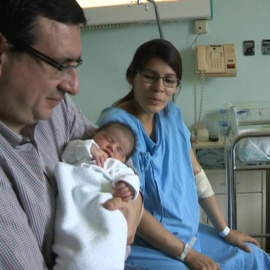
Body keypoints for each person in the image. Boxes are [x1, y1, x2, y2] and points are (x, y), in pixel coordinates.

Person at [97, 39, 270, 269]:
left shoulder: (172, 116)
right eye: (150, 76)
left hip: (188, 231)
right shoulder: (115, 128)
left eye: (169, 81)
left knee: (252, 255)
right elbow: (132, 204)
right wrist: (187, 255)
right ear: (132, 77)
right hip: (144, 242)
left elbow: (196, 172)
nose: (159, 88)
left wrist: (225, 230)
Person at [0, 1, 143, 269]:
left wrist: (135, 202)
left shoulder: (58, 111)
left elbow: (117, 151)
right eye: (59, 65)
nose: (74, 86)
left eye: (74, 64)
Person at [53, 122, 140, 270]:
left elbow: (132, 178)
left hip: (104, 209)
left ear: (124, 160)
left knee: (108, 239)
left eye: (120, 150)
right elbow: (67, 154)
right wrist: (90, 148)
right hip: (77, 205)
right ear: (94, 135)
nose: (112, 148)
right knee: (74, 250)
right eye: (108, 139)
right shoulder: (81, 150)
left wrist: (127, 186)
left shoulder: (117, 166)